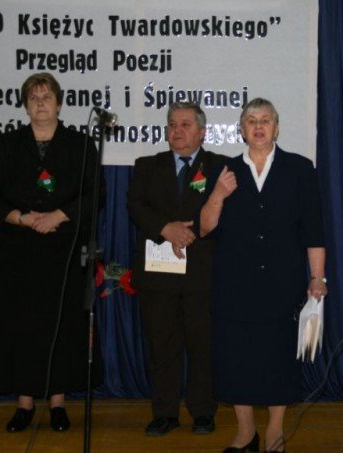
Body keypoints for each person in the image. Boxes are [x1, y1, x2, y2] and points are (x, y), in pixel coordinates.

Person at [200, 98, 327, 453]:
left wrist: (318, 278)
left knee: (278, 359)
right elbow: (205, 227)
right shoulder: (223, 169)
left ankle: (274, 431)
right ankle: (245, 433)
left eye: (265, 120)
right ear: (241, 129)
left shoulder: (299, 169)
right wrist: (219, 194)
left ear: (277, 128)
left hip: (281, 283)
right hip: (234, 283)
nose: (258, 126)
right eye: (251, 120)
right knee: (236, 359)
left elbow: (314, 230)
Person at [0, 72, 102, 433]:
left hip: (64, 251)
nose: (40, 103)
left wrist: (58, 216)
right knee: (21, 327)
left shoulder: (80, 145)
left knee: (61, 325)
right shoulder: (8, 144)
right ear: (25, 105)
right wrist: (20, 218)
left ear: (59, 104)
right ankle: (24, 405)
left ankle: (58, 404)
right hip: (19, 251)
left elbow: (96, 193)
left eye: (47, 97)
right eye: (33, 98)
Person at [127, 102, 226, 437]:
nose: (177, 131)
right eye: (172, 124)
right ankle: (164, 413)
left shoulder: (219, 166)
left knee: (202, 346)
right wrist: (165, 228)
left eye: (185, 124)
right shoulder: (147, 166)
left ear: (202, 131)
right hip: (158, 274)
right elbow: (135, 206)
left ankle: (203, 411)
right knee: (161, 347)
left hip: (202, 274)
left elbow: (226, 210)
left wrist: (189, 231)